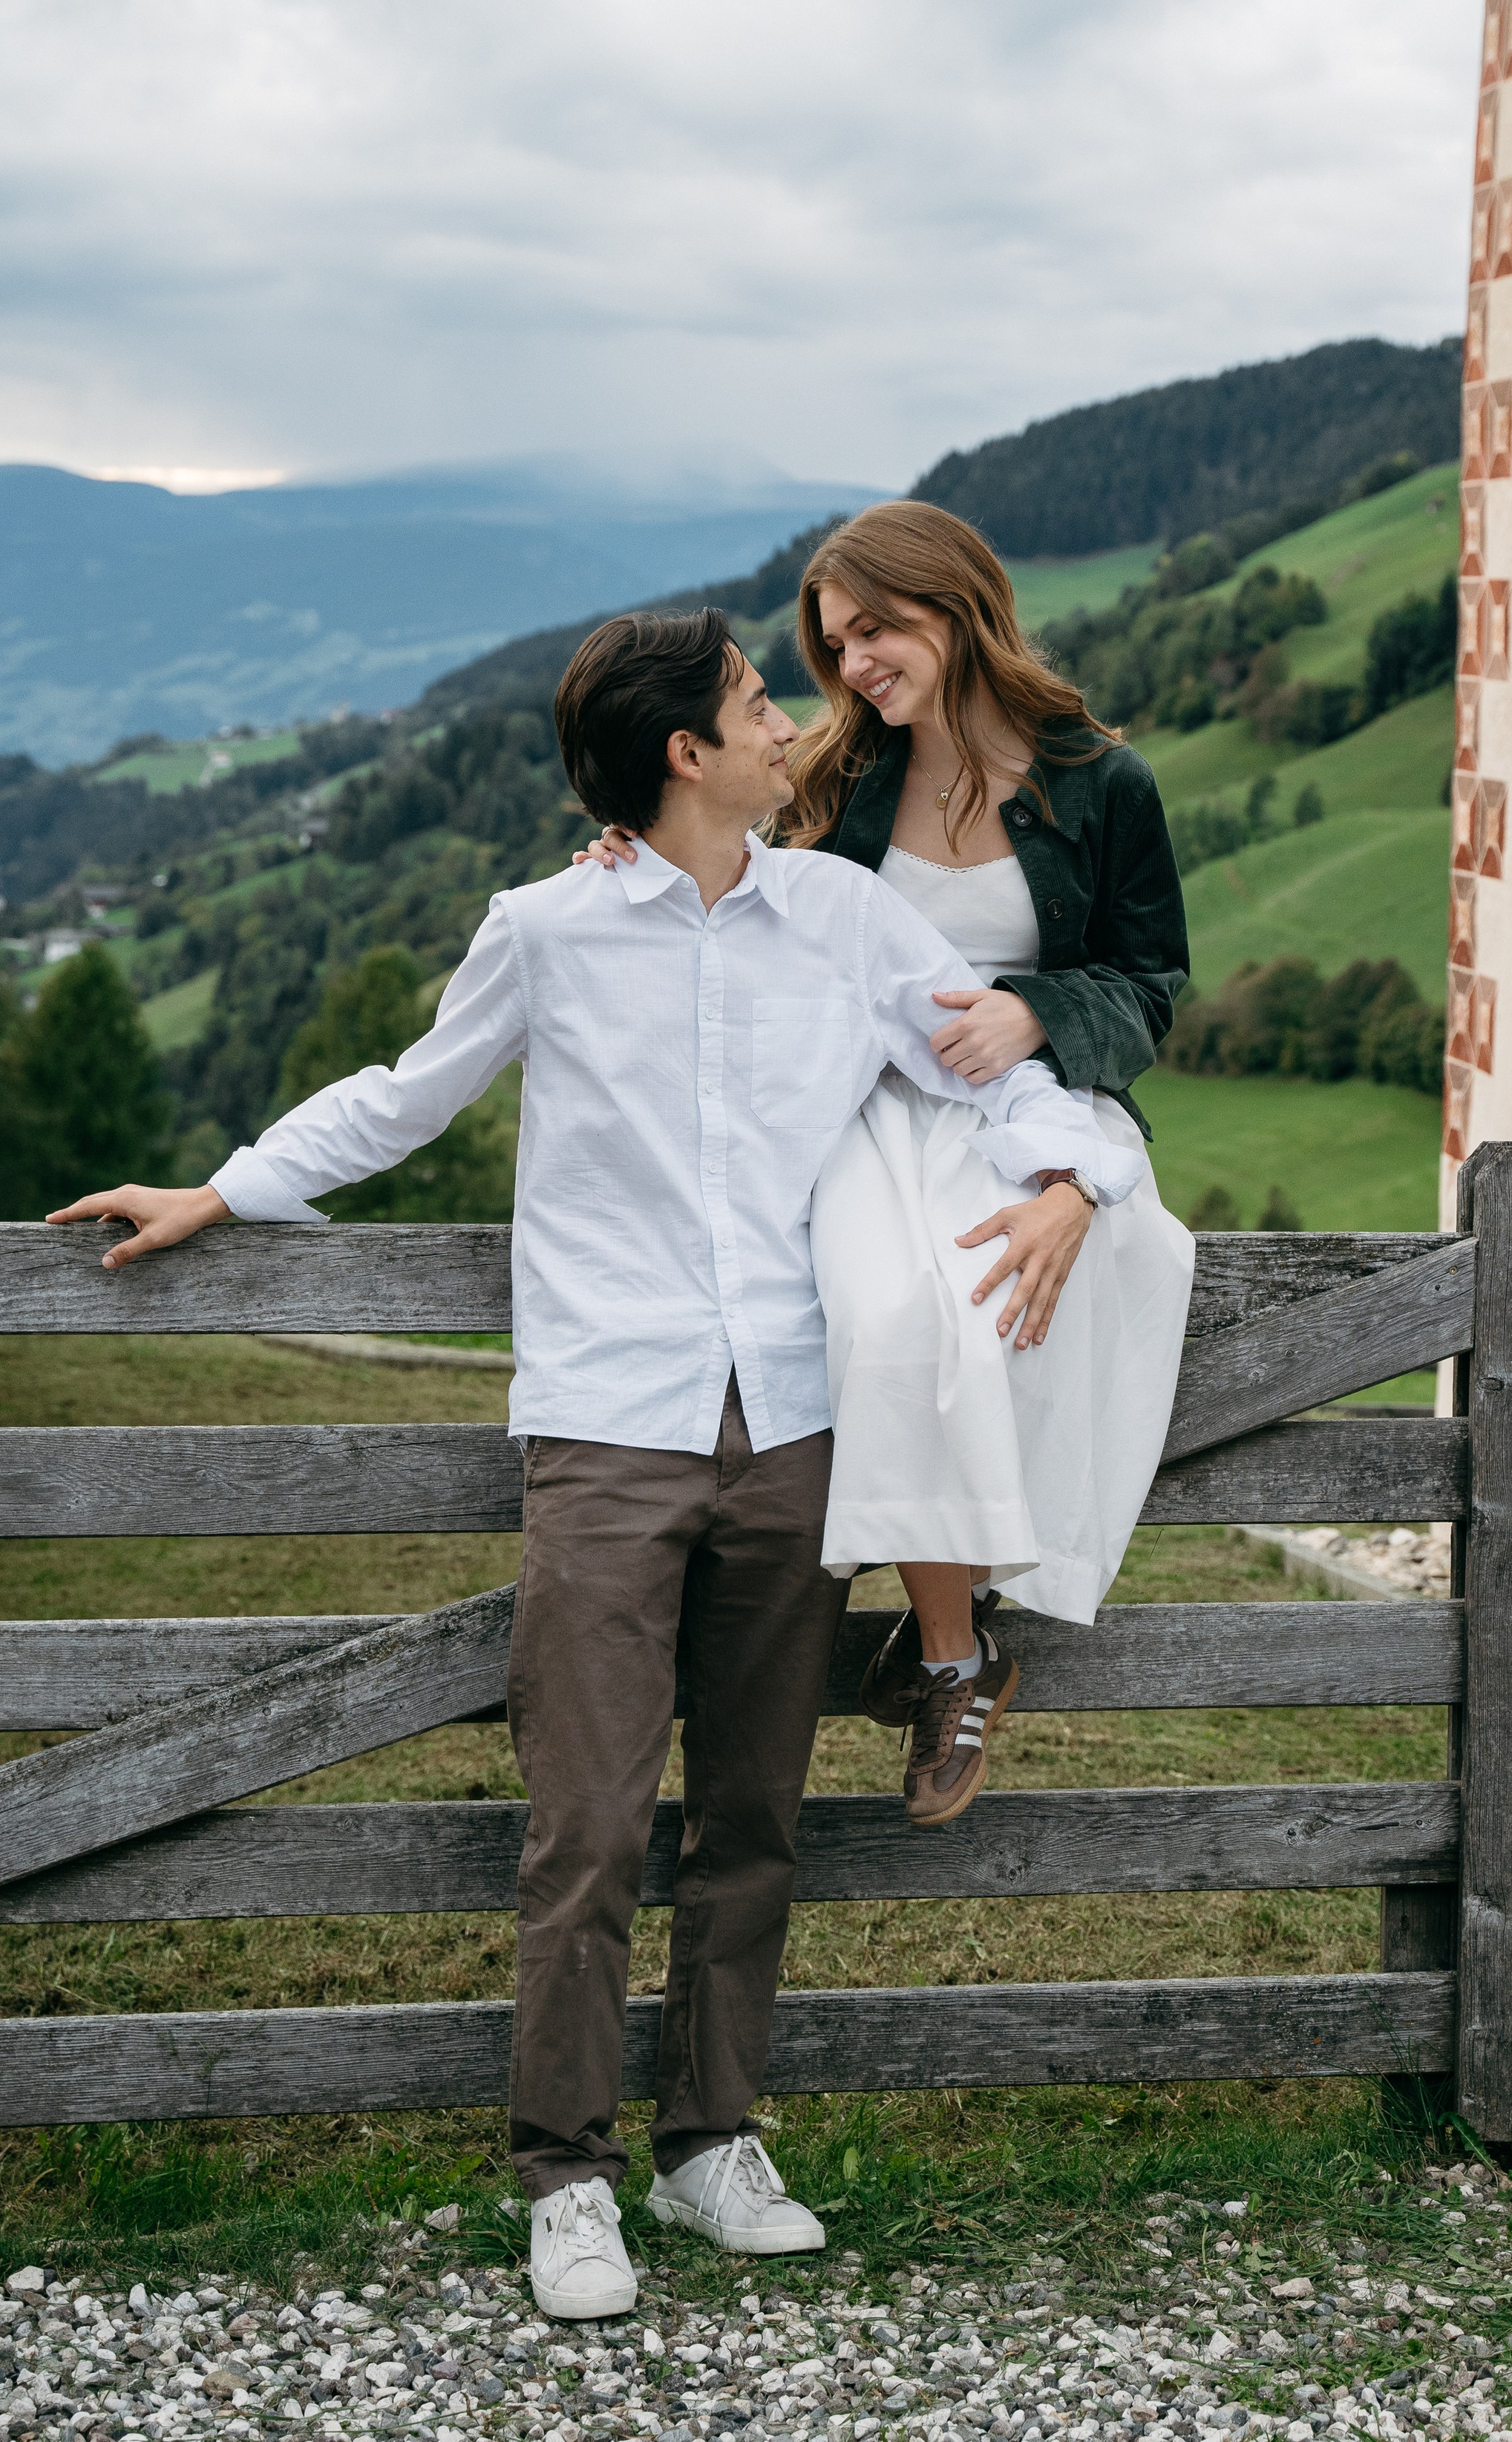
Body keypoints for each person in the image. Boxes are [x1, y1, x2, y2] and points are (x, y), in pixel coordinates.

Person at [47, 609, 1138, 2320]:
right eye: (753, 703)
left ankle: (712, 2146)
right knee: (587, 1823)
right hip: (608, 1426)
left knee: (757, 1812)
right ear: (682, 759)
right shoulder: (542, 931)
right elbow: (408, 1096)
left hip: (788, 1416)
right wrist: (225, 1186)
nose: (790, 723)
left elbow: (982, 1075)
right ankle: (567, 2176)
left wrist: (1078, 1179)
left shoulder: (842, 916)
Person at [576, 503, 1195, 1827]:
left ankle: (963, 1614)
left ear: (956, 604)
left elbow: (1153, 980)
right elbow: (717, 846)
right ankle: (955, 1648)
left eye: (875, 629)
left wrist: (1041, 1013)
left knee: (1050, 1286)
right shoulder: (839, 770)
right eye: (834, 642)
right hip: (870, 1107)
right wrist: (621, 846)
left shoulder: (1102, 783)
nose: (851, 666)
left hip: (1043, 1102)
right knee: (890, 1313)